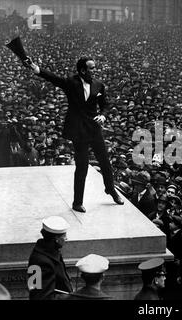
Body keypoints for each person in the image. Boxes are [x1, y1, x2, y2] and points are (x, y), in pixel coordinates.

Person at [26, 57, 124, 212]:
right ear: (82, 70)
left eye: (94, 67)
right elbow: (53, 78)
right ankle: (77, 202)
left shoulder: (99, 85)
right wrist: (35, 67)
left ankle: (111, 189)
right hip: (79, 131)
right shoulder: (71, 83)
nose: (94, 70)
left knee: (105, 162)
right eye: (91, 68)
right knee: (82, 167)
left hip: (94, 128)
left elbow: (105, 105)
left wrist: (103, 115)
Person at [27, 216, 73, 300]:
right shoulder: (42, 262)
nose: (66, 238)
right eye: (64, 235)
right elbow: (41, 296)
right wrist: (71, 297)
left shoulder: (46, 253)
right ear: (56, 239)